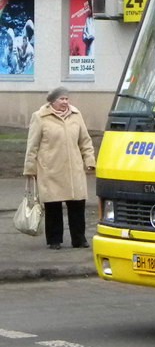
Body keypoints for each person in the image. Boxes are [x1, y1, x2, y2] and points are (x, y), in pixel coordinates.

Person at [23, 88, 96, 250]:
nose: (65, 102)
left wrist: (89, 160)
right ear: (52, 102)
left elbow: (85, 141)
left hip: (73, 169)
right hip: (51, 170)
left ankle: (79, 239)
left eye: (66, 99)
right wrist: (30, 169)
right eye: (61, 99)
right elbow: (32, 145)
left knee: (77, 205)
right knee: (53, 206)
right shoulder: (40, 117)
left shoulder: (76, 115)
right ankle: (55, 240)